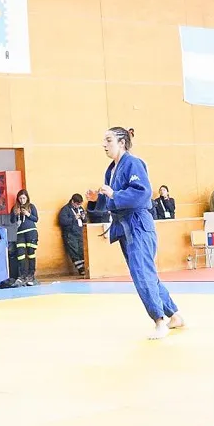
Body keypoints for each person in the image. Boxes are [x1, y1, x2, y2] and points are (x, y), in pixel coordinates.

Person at [86, 127, 184, 340]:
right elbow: (110, 199)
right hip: (124, 227)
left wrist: (114, 194)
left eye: (109, 140)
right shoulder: (111, 170)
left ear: (122, 142)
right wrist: (97, 199)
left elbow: (143, 193)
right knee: (146, 273)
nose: (104, 145)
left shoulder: (133, 163)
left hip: (138, 223)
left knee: (142, 273)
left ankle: (159, 320)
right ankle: (174, 315)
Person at [9, 189, 39, 287]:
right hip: (20, 233)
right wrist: (16, 214)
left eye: (23, 198)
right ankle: (22, 276)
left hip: (31, 232)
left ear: (27, 198)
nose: (22, 200)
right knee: (20, 254)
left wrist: (27, 214)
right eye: (20, 198)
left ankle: (31, 275)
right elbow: (12, 221)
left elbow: (36, 219)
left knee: (31, 253)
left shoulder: (31, 206)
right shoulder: (15, 208)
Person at [58, 194, 86, 276]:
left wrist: (84, 217)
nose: (78, 206)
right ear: (72, 201)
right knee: (74, 252)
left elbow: (85, 220)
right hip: (70, 234)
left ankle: (85, 268)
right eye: (77, 204)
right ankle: (81, 269)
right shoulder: (65, 210)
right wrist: (74, 218)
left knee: (82, 251)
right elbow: (62, 222)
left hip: (80, 233)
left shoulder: (80, 209)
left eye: (80, 204)